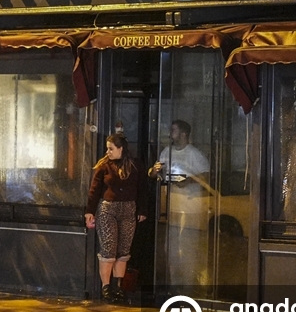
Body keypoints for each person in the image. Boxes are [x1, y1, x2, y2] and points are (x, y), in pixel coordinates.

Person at [85, 133, 148, 302]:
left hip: (128, 208)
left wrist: (142, 210)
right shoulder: (104, 165)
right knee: (108, 247)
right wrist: (90, 211)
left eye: (111, 149)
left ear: (121, 149)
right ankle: (106, 286)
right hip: (108, 208)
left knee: (123, 249)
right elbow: (95, 189)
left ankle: (118, 285)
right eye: (107, 148)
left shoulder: (135, 166)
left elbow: (142, 188)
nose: (108, 152)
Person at [150, 120, 211, 287]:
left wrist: (189, 180)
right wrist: (154, 171)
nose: (170, 133)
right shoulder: (166, 151)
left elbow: (206, 175)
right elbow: (154, 172)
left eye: (173, 130)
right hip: (173, 205)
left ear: (184, 133)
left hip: (190, 207)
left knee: (188, 246)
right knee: (172, 246)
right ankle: (174, 283)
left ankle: (189, 283)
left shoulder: (194, 154)